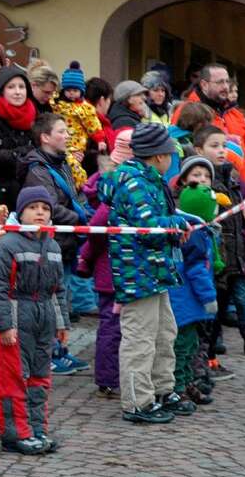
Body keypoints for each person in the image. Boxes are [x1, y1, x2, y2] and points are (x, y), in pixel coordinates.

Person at [99, 122, 192, 424]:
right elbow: (149, 227)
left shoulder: (150, 179)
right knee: (140, 339)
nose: (172, 159)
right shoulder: (135, 182)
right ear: (157, 156)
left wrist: (177, 222)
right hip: (137, 273)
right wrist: (173, 226)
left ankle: (162, 389)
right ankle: (137, 402)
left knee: (165, 332)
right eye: (170, 153)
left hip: (154, 270)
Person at [0, 186, 69, 455]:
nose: (40, 213)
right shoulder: (8, 244)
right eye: (34, 208)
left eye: (45, 208)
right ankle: (15, 433)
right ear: (20, 213)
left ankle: (37, 428)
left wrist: (61, 324)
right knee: (13, 377)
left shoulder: (53, 245)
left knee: (40, 377)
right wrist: (5, 325)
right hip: (17, 315)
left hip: (44, 317)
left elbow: (58, 289)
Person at [18, 113, 93, 374]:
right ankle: (46, 354)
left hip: (66, 241)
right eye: (61, 131)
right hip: (52, 241)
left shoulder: (60, 163)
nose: (67, 135)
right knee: (49, 301)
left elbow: (70, 196)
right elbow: (49, 208)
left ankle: (59, 350)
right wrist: (79, 219)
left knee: (62, 300)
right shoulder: (38, 169)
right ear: (45, 137)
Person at [193, 125, 245, 357]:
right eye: (215, 146)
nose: (222, 151)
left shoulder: (234, 180)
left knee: (236, 301)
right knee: (211, 308)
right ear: (198, 150)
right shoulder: (198, 182)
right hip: (213, 260)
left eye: (224, 146)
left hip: (236, 256)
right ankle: (208, 354)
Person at [77, 131, 133, 399]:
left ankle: (116, 375)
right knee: (113, 326)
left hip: (116, 269)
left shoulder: (112, 187)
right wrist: (87, 259)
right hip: (113, 271)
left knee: (120, 326)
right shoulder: (116, 193)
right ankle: (108, 378)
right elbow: (96, 229)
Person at [168, 177, 220, 407]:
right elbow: (198, 271)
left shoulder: (195, 230)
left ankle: (187, 383)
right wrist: (209, 298)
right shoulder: (197, 235)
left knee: (188, 346)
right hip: (186, 303)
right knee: (183, 346)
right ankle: (178, 388)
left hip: (186, 302)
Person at [172, 64, 245, 182]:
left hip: (240, 189)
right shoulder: (189, 111)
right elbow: (179, 147)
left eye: (227, 82)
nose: (225, 86)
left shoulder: (237, 115)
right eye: (220, 82)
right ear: (204, 84)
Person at [0, 65, 37, 209]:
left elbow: (38, 152)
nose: (17, 92)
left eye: (21, 87)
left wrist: (12, 155)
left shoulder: (34, 115)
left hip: (28, 191)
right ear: (1, 90)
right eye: (11, 87)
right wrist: (22, 152)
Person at [53, 61, 107, 187]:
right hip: (59, 141)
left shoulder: (85, 108)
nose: (71, 93)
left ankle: (80, 187)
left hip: (76, 144)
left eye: (75, 90)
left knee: (73, 165)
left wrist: (100, 140)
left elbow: (93, 125)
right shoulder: (57, 104)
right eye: (68, 90)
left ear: (81, 91)